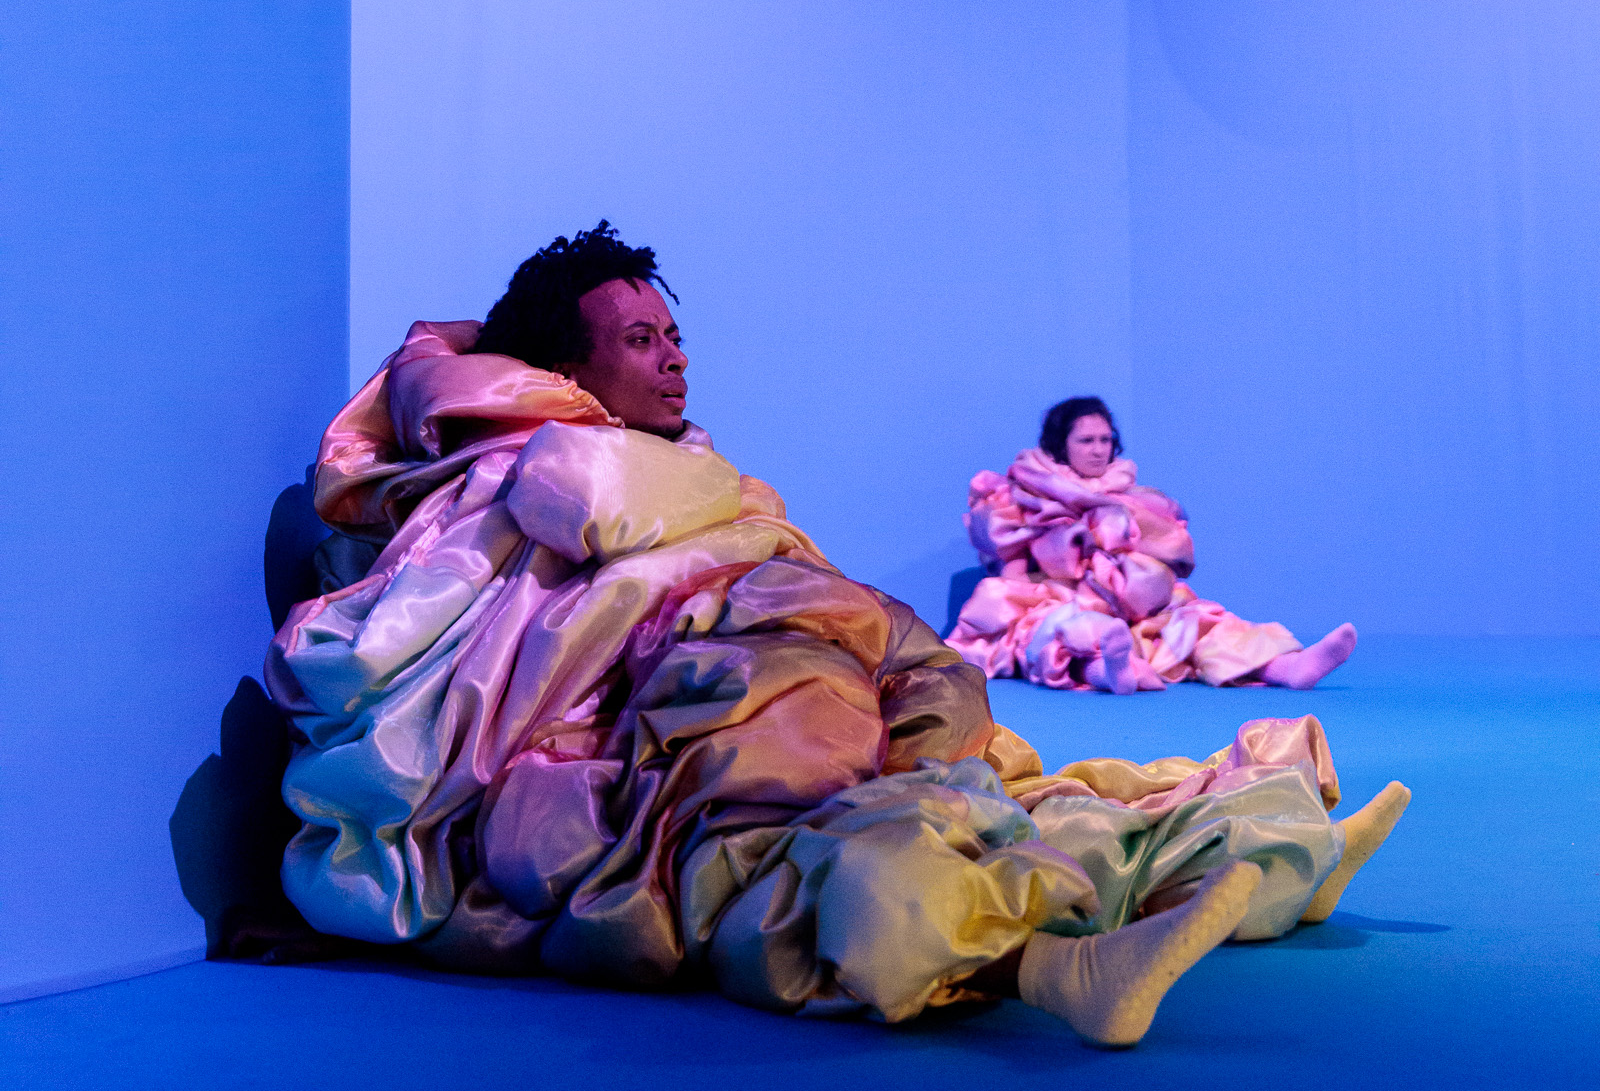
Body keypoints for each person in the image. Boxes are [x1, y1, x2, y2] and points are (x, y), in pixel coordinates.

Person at [263, 228, 1405, 1048]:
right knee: (771, 815)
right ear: (567, 371)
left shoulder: (662, 462)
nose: (674, 357)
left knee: (961, 763)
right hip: (647, 713)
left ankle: (1250, 853)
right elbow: (528, 606)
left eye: (674, 334)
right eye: (641, 340)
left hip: (728, 661)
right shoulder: (526, 465)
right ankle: (1045, 964)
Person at [948, 396, 1358, 696]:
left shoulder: (1130, 496)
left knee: (1197, 620)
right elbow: (1014, 581)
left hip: (1131, 606)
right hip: (1063, 596)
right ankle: (1113, 672)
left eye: (1105, 440)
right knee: (1063, 631)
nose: (1099, 450)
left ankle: (1288, 668)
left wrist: (1145, 591)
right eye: (1086, 440)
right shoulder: (1023, 496)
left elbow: (1162, 559)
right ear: (1061, 444)